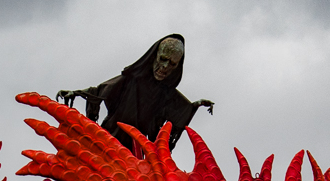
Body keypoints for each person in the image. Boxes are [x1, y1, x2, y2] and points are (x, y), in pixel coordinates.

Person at [57, 34, 214, 153]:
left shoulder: (166, 94)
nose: (165, 66)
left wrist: (196, 105)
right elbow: (100, 91)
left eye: (172, 63)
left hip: (135, 148)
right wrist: (76, 93)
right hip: (110, 135)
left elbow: (181, 110)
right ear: (154, 56)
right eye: (163, 59)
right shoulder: (131, 79)